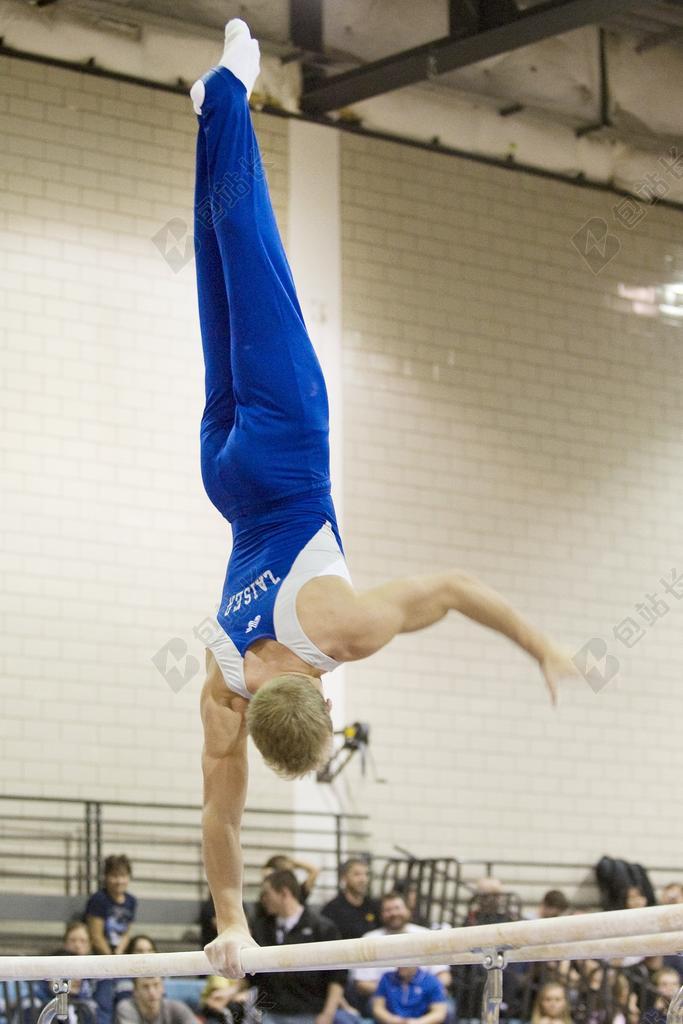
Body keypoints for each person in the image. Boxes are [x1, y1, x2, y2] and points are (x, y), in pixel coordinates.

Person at [190, 17, 580, 978]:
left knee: (253, 258)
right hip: (224, 479)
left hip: (284, 454)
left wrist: (538, 643)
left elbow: (448, 585)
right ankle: (209, 119)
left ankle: (231, 92)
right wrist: (231, 923)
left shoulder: (341, 629)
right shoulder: (224, 687)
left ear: (318, 692)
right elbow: (218, 814)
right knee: (215, 281)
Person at [247, 869, 346, 1024]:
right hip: (269, 1012)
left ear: (284, 893)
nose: (263, 899)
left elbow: (337, 976)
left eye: (267, 893)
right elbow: (252, 973)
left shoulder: (322, 928)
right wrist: (230, 991)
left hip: (308, 1013)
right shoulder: (261, 928)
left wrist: (328, 1014)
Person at [34, 922, 114, 1024]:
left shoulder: (100, 974)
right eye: (73, 940)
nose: (77, 945)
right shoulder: (52, 966)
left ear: (90, 944)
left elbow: (104, 1011)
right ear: (65, 944)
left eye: (83, 941)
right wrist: (53, 989)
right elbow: (38, 996)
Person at [85, 854, 137, 954]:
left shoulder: (131, 901)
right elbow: (96, 936)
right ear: (106, 877)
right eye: (114, 876)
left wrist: (119, 953)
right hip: (100, 954)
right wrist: (111, 958)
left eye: (123, 876)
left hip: (120, 953)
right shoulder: (98, 899)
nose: (119, 881)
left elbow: (127, 933)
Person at [321, 859, 380, 939]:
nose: (363, 879)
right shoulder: (332, 910)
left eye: (366, 874)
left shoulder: (373, 906)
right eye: (357, 874)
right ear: (344, 878)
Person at [372, 967, 447, 1024]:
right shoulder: (386, 978)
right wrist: (393, 1020)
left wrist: (418, 1022)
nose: (402, 966)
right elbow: (378, 1008)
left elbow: (439, 1013)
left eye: (405, 963)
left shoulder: (431, 980)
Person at [115, 978, 197, 1024]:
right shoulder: (126, 1007)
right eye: (145, 986)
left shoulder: (177, 1007)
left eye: (156, 985)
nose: (152, 992)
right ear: (135, 991)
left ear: (163, 987)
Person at [114, 936, 159, 1007]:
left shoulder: (159, 977)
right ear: (130, 953)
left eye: (150, 950)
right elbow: (125, 1007)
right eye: (140, 951)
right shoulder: (123, 980)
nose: (146, 955)